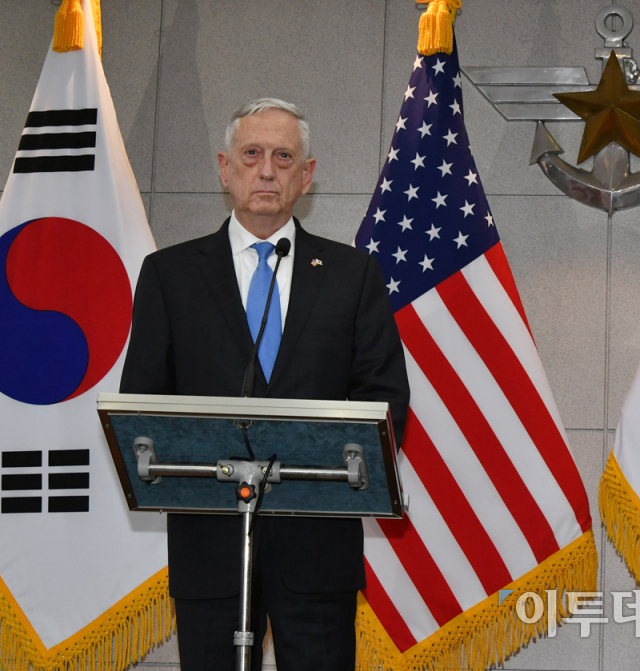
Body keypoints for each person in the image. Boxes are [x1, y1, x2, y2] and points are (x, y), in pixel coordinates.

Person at [120, 98, 409, 671]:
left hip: (317, 548)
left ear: (307, 174)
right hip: (211, 546)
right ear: (225, 168)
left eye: (284, 157)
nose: (267, 171)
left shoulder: (352, 275)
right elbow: (142, 406)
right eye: (252, 154)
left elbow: (385, 399)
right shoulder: (169, 275)